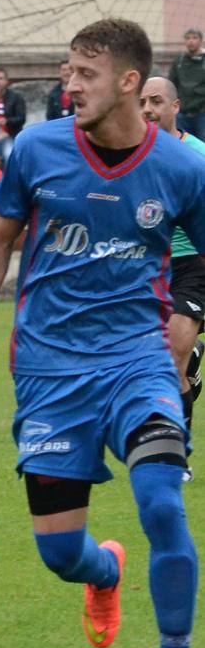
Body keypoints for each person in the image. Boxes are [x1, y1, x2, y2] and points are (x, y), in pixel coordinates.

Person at [0, 18, 205, 648]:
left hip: (136, 363)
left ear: (127, 82)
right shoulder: (35, 149)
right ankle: (101, 572)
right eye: (66, 72)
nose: (69, 84)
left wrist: (187, 315)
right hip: (49, 373)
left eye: (84, 74)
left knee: (161, 503)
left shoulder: (181, 167)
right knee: (59, 555)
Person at [138, 75, 205, 448]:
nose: (148, 109)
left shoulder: (197, 154)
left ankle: (176, 457)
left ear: (175, 107)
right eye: (143, 102)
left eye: (157, 101)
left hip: (191, 264)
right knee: (157, 367)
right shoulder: (130, 155)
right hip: (146, 267)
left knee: (171, 362)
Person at [170, 28, 205, 136]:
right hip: (182, 114)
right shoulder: (179, 61)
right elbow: (172, 84)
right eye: (188, 38)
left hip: (202, 115)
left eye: (194, 38)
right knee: (182, 144)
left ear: (201, 40)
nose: (191, 41)